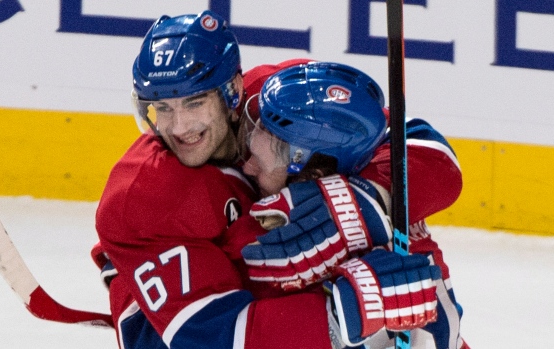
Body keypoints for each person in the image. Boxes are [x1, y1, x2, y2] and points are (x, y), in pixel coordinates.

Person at [93, 10, 440, 349]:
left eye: (194, 102)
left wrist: (367, 199)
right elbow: (214, 338)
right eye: (163, 108)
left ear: (232, 92)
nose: (178, 127)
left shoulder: (280, 99)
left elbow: (426, 149)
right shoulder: (145, 194)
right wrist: (339, 316)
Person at [239, 61, 469, 348]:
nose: (246, 168)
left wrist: (366, 199)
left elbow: (417, 141)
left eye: (261, 163)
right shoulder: (281, 99)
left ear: (313, 176)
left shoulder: (392, 247)